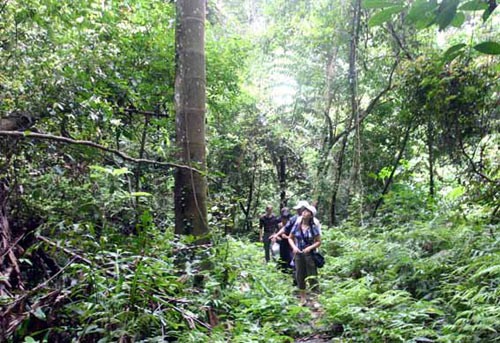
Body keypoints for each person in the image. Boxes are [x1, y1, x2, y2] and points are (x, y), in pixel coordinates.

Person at [288, 203, 321, 305]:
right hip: (298, 254)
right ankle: (303, 298)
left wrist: (310, 248)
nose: (304, 212)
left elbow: (318, 241)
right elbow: (290, 237)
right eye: (304, 211)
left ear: (311, 215)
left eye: (307, 211)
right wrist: (294, 247)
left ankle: (315, 299)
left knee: (312, 276)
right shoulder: (297, 226)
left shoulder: (313, 227)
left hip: (310, 255)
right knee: (300, 276)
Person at [275, 207, 292, 272]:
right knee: (282, 256)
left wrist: (287, 237)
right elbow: (276, 233)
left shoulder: (291, 223)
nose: (284, 220)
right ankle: (283, 270)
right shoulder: (279, 224)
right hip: (282, 243)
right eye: (283, 218)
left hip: (290, 243)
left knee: (290, 257)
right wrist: (278, 237)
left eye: (286, 218)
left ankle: (290, 270)